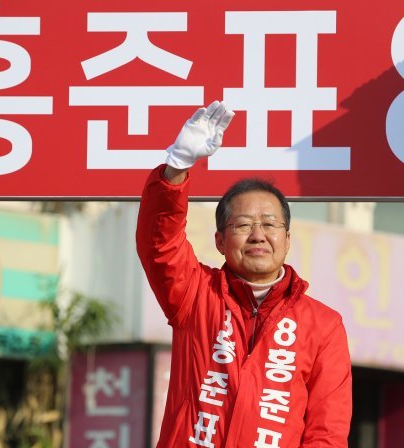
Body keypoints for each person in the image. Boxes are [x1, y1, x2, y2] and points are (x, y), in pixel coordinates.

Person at [136, 100, 352, 447]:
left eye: (269, 224)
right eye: (243, 225)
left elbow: (327, 431)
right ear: (220, 240)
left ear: (287, 239)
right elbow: (158, 244)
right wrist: (176, 168)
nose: (257, 235)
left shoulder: (323, 325)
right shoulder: (194, 294)